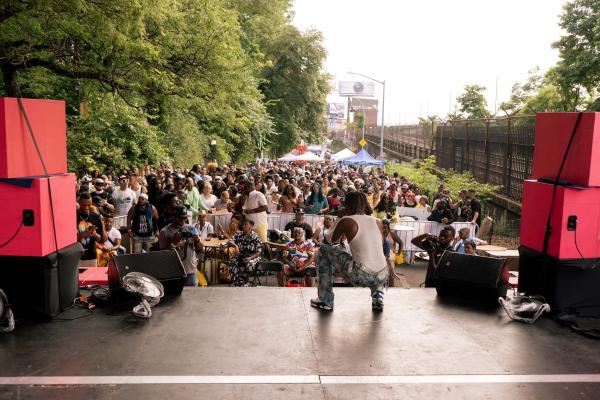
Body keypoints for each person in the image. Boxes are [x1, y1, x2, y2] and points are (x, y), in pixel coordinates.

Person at [311, 191, 388, 312]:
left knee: (323, 250)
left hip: (362, 275)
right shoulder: (378, 221)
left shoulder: (347, 220)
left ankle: (325, 300)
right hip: (383, 274)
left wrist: (339, 218)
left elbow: (328, 241)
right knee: (374, 260)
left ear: (347, 205)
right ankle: (377, 293)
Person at [159, 205, 203, 286]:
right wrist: (173, 243)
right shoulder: (164, 232)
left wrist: (197, 240)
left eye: (184, 218)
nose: (182, 221)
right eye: (180, 218)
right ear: (174, 217)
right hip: (174, 272)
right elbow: (162, 255)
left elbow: (200, 249)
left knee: (192, 296)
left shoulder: (191, 229)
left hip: (190, 271)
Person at [227, 219, 263, 286]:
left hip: (253, 257)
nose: (243, 226)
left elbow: (259, 252)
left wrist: (250, 258)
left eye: (245, 225)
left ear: (251, 227)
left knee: (248, 264)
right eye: (243, 224)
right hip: (241, 256)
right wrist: (235, 246)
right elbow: (229, 241)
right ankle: (239, 282)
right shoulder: (239, 234)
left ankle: (244, 281)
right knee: (232, 262)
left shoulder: (255, 236)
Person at [77, 193, 104, 268]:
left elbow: (100, 239)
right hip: (76, 257)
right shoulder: (73, 215)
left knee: (91, 279)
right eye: (83, 205)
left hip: (91, 256)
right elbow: (69, 240)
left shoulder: (95, 216)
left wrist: (94, 234)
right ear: (79, 203)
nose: (86, 207)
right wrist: (85, 233)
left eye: (89, 205)